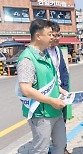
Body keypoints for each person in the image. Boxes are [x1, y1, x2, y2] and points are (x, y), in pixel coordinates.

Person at [16, 19, 66, 154]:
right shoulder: (27, 59)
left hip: (56, 111)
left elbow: (50, 81)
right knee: (41, 150)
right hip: (41, 114)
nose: (52, 37)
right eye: (49, 34)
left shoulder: (47, 55)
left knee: (60, 145)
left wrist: (61, 91)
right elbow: (25, 89)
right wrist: (51, 100)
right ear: (38, 36)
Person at [47, 21, 70, 154]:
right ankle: (50, 148)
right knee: (50, 123)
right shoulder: (42, 51)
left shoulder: (58, 50)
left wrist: (65, 88)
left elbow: (63, 71)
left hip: (61, 92)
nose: (56, 38)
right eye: (54, 35)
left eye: (58, 35)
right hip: (49, 94)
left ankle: (62, 147)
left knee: (62, 122)